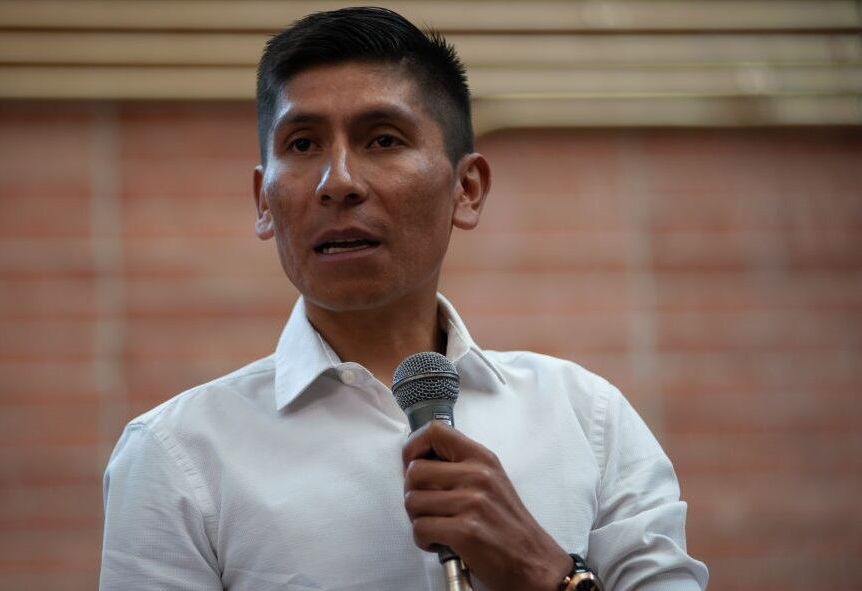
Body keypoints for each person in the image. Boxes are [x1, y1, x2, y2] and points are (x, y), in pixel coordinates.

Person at [99, 6, 708, 591]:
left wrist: (545, 574)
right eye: (303, 145)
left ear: (466, 189)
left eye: (383, 139)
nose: (337, 182)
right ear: (264, 202)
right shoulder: (178, 454)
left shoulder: (586, 418)